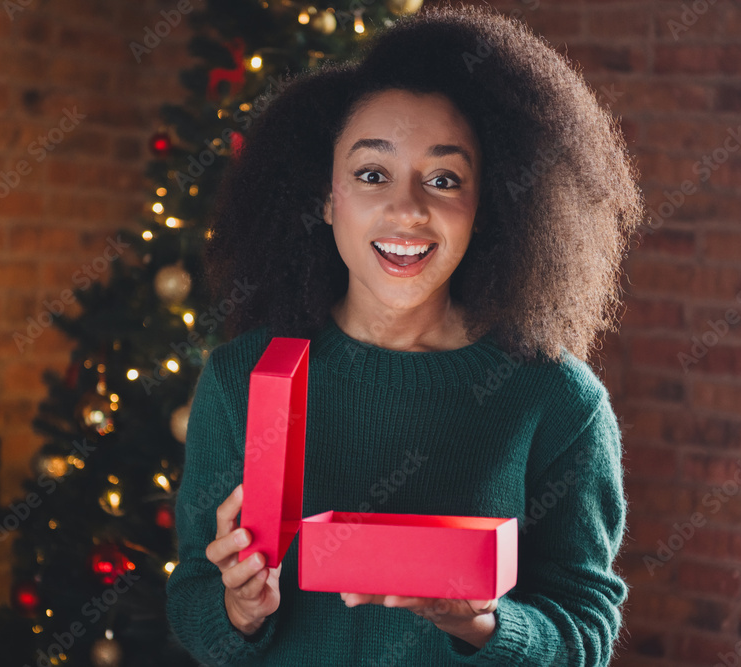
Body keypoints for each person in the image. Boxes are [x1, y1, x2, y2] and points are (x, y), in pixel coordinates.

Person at [165, 4, 644, 665]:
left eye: (444, 179)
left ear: (488, 205)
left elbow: (584, 635)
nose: (408, 209)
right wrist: (236, 610)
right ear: (327, 196)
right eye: (371, 174)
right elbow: (192, 593)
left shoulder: (556, 402)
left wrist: (485, 624)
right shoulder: (239, 378)